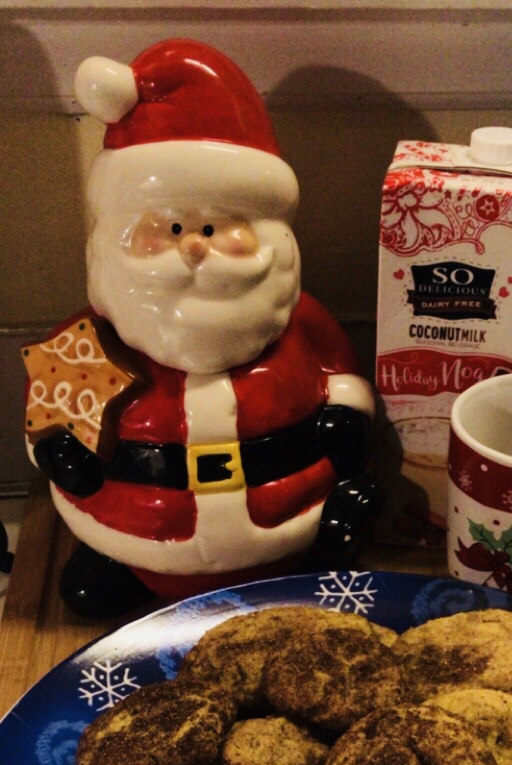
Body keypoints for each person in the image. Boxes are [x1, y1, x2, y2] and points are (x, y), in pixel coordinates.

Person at [24, 39, 377, 616]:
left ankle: (306, 565)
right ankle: (123, 569)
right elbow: (51, 414)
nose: (193, 247)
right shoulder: (88, 343)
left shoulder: (300, 323)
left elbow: (343, 379)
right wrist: (60, 451)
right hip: (138, 534)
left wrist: (346, 419)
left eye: (218, 227)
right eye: (168, 228)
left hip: (284, 531)